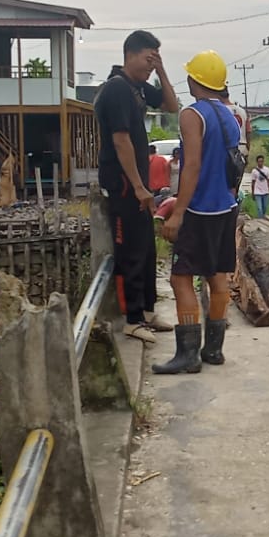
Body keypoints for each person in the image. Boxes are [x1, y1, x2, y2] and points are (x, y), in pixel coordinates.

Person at [154, 51, 242, 375]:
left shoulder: (193, 115)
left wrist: (177, 213)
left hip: (200, 209)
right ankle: (214, 350)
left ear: (195, 81)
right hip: (226, 208)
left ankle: (187, 355)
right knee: (218, 277)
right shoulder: (230, 116)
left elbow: (192, 165)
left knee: (181, 279)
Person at [94, 30, 180, 344]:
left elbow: (172, 106)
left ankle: (146, 311)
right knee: (129, 250)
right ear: (130, 54)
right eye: (148, 59)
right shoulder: (117, 89)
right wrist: (139, 186)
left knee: (145, 249)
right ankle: (131, 319)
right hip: (124, 184)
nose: (150, 66)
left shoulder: (138, 88)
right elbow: (121, 140)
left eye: (154, 60)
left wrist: (161, 71)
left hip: (140, 185)